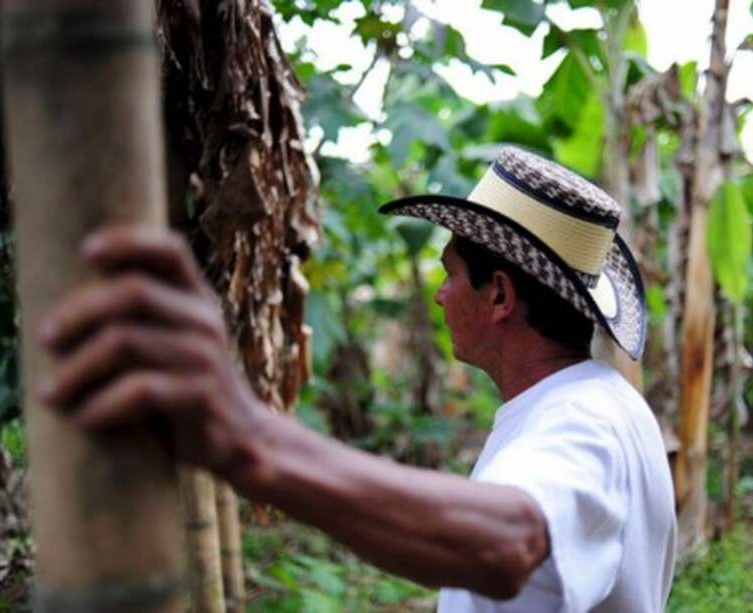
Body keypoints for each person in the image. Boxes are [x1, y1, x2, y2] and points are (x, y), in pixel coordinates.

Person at [39, 147, 676, 612]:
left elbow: (510, 542)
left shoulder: (578, 424)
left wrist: (247, 440)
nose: (439, 295)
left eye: (451, 273)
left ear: (501, 296)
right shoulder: (603, 400)